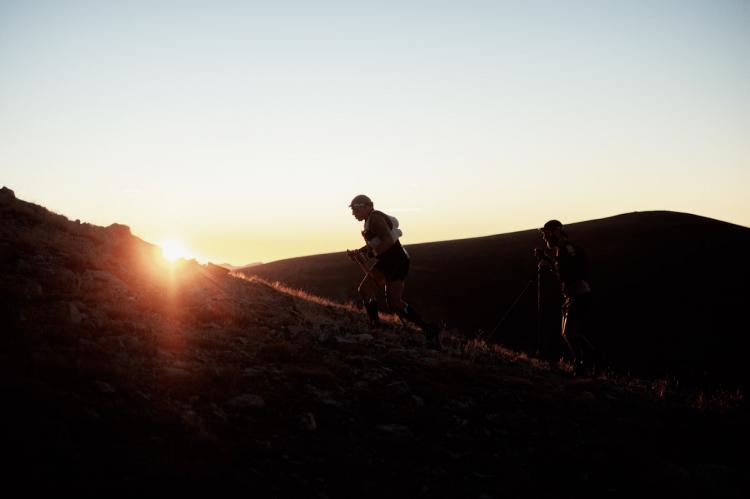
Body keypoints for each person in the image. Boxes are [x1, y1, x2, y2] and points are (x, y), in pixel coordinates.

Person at [347, 194, 440, 348]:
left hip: (395, 261)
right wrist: (361, 252)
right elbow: (377, 242)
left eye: (355, 209)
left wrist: (369, 254)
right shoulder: (370, 220)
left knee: (384, 298)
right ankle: (426, 329)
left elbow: (388, 240)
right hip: (392, 260)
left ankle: (427, 329)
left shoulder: (375, 219)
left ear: (366, 206)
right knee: (376, 295)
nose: (353, 213)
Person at [535, 219, 597, 375]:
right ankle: (583, 364)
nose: (544, 237)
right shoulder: (563, 249)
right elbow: (564, 269)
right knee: (567, 333)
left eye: (546, 233)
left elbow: (565, 273)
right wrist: (548, 260)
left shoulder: (565, 248)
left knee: (570, 333)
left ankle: (587, 362)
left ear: (555, 231)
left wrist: (548, 264)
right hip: (576, 295)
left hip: (578, 295)